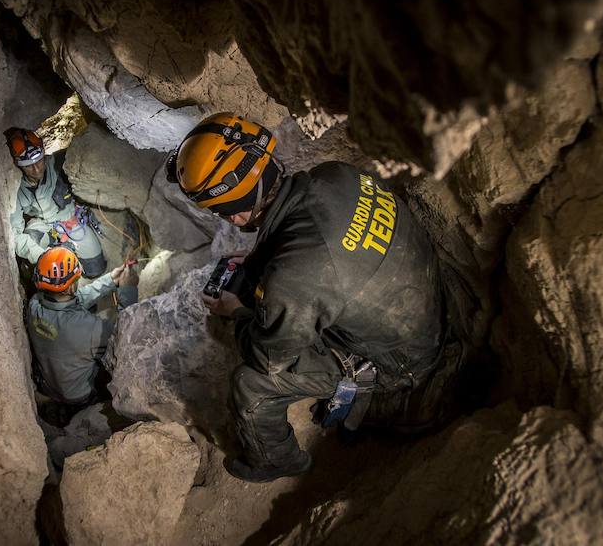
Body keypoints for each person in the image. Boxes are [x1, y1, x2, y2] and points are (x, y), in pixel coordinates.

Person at [166, 113, 456, 483]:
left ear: (237, 215)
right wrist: (257, 264)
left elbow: (269, 357)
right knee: (285, 299)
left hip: (402, 361)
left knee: (251, 387)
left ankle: (277, 460)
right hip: (412, 299)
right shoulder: (334, 174)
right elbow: (310, 238)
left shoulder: (294, 277)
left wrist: (236, 312)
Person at [26, 246, 138, 421]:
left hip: (47, 383)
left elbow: (74, 299)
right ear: (71, 287)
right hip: (77, 396)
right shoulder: (89, 329)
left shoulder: (35, 305)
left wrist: (111, 280)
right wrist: (128, 289)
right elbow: (126, 332)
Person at [5, 127, 106, 277]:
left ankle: (68, 250)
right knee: (33, 256)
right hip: (43, 225)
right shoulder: (16, 190)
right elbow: (16, 234)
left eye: (39, 161)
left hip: (70, 220)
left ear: (44, 154)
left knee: (95, 270)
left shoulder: (59, 163)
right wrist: (42, 256)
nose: (36, 169)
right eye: (28, 165)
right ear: (18, 164)